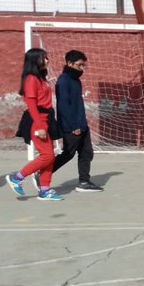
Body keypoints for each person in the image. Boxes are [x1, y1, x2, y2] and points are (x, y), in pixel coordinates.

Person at [7, 48, 61, 200]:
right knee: (47, 155)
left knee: (50, 156)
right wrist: (40, 126)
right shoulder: (31, 79)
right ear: (34, 60)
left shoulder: (41, 78)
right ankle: (17, 178)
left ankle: (45, 189)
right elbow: (31, 105)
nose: (47, 60)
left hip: (47, 118)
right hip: (37, 120)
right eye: (44, 58)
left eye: (47, 57)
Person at [51, 50, 103, 192]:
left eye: (83, 66)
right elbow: (63, 106)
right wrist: (74, 125)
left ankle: (84, 182)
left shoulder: (76, 80)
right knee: (68, 154)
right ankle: (43, 174)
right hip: (71, 126)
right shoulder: (63, 81)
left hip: (82, 124)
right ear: (69, 63)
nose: (82, 69)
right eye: (79, 65)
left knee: (87, 152)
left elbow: (77, 104)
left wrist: (82, 123)